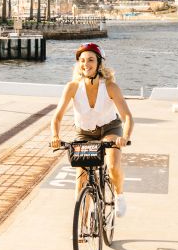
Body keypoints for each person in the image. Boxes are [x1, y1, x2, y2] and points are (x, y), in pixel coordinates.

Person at [50, 43, 134, 217]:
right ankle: (83, 222)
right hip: (84, 132)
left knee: (112, 165)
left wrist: (124, 137)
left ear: (98, 63)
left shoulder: (110, 87)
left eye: (90, 60)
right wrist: (55, 135)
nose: (85, 64)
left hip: (109, 128)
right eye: (82, 60)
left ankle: (119, 195)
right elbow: (57, 116)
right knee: (81, 178)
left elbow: (127, 117)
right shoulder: (72, 87)